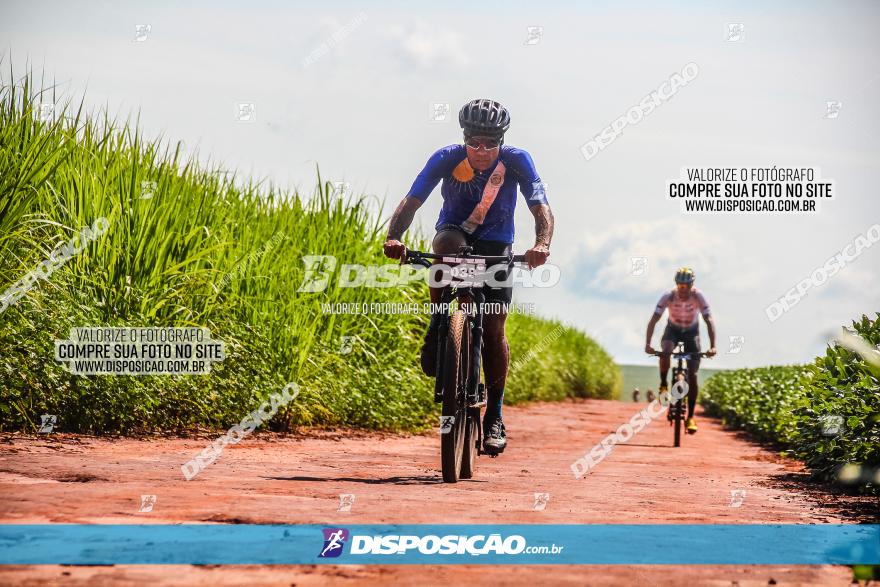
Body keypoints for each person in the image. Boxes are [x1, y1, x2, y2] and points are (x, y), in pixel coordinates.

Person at [383, 98, 554, 455]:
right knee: (444, 243)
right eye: (475, 142)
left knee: (493, 330)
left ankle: (494, 415)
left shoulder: (517, 161)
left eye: (491, 143)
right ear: (464, 138)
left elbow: (541, 207)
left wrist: (541, 244)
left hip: (496, 243)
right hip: (455, 231)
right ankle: (437, 322)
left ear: (502, 142)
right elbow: (412, 200)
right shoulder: (445, 157)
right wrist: (395, 237)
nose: (481, 150)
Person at [644, 267, 717, 433]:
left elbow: (709, 320)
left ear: (692, 285)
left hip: (692, 334)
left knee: (693, 374)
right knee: (666, 350)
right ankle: (663, 384)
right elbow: (654, 319)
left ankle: (690, 417)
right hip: (673, 331)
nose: (683, 290)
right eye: (680, 286)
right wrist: (648, 344)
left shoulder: (698, 296)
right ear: (676, 285)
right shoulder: (668, 296)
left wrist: (713, 345)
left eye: (686, 286)